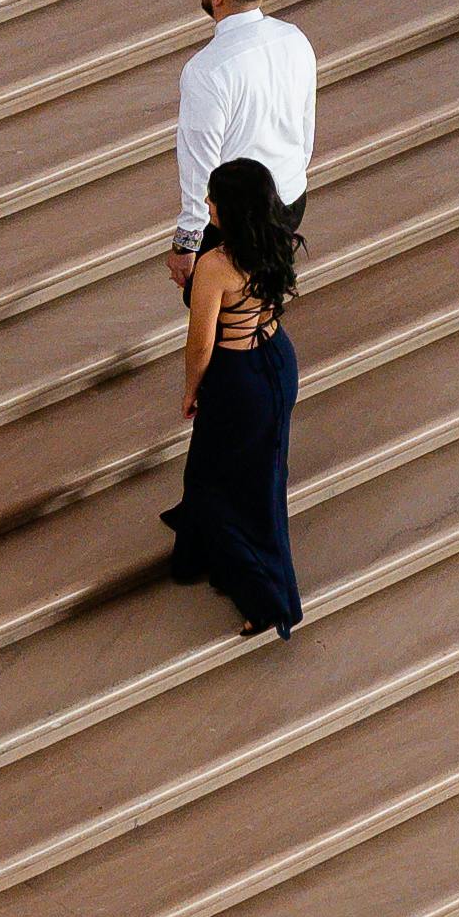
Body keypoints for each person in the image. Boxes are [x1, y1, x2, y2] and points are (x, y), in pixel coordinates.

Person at [166, 156, 302, 638]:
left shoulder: (216, 266)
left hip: (239, 377)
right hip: (278, 361)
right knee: (263, 476)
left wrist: (190, 390)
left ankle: (264, 598)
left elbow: (201, 343)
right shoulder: (275, 238)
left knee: (216, 483)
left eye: (214, 198)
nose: (207, 205)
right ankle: (217, 559)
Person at [169, 0, 314, 294]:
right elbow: (305, 123)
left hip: (236, 218)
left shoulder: (206, 70)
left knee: (225, 315)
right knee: (266, 299)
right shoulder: (294, 38)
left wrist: (187, 242)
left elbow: (198, 163)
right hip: (291, 196)